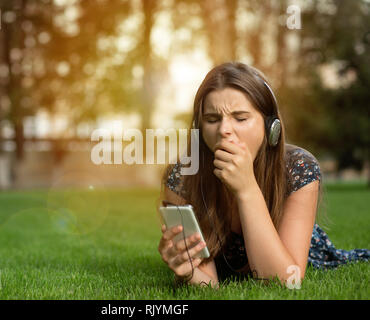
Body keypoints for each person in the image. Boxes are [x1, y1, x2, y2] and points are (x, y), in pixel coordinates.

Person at [157, 62, 369, 289]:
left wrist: (246, 189)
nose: (223, 130)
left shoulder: (299, 167)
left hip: (289, 256)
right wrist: (189, 272)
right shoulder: (183, 176)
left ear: (271, 127)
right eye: (211, 119)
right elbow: (209, 285)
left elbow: (284, 281)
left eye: (240, 118)